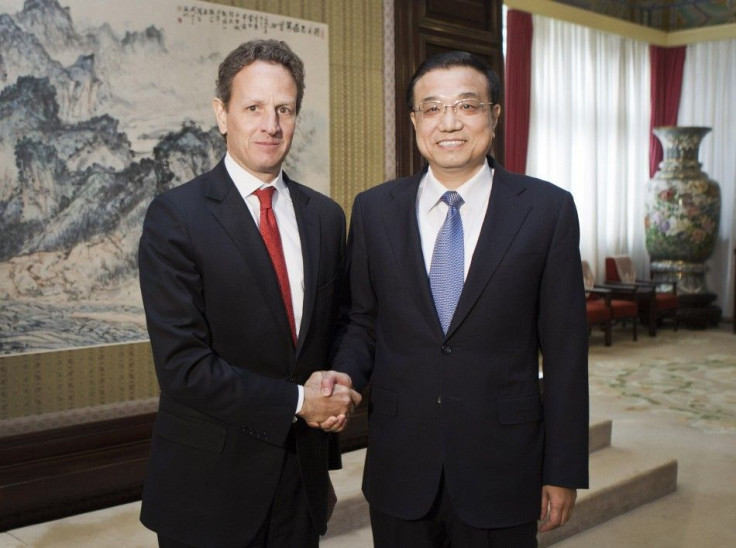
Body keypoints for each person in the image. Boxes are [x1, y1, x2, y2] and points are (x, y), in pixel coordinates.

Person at [329, 50, 589, 547]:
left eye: (467, 106)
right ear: (414, 121)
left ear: (493, 115)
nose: (449, 122)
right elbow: (360, 322)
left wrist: (563, 467)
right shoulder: (374, 210)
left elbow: (565, 351)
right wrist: (343, 379)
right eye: (432, 108)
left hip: (504, 465)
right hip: (400, 463)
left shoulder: (547, 210)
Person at [138, 39, 361, 548]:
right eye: (254, 108)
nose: (271, 125)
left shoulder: (325, 217)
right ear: (222, 114)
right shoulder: (176, 217)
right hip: (209, 487)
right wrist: (300, 400)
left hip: (300, 483)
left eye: (284, 109)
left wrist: (338, 382)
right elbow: (182, 367)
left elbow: (342, 323)